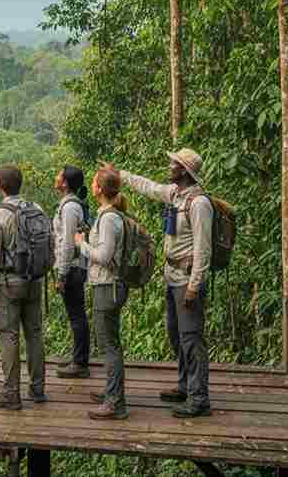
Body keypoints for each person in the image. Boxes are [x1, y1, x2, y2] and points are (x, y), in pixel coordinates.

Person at [118, 148, 213, 418]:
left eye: (174, 164)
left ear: (184, 171)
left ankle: (199, 398)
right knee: (176, 333)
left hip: (187, 279)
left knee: (191, 337)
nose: (169, 166)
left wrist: (194, 286)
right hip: (172, 277)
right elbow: (148, 187)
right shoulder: (175, 195)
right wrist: (121, 175)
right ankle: (185, 385)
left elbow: (203, 249)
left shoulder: (199, 204)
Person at [0, 165, 47, 410]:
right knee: (34, 333)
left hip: (10, 282)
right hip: (35, 279)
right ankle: (38, 389)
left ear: (0, 186)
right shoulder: (36, 208)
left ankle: (11, 393)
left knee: (10, 335)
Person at [75, 166, 129, 419]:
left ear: (99, 189)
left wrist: (82, 245)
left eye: (94, 181)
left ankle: (115, 403)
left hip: (108, 286)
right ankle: (112, 391)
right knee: (110, 342)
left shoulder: (108, 219)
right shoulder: (110, 215)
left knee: (109, 345)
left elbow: (105, 256)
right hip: (109, 286)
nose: (92, 184)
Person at [53, 165, 90, 379]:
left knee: (77, 315)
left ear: (65, 183)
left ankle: (80, 363)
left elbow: (68, 243)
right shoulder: (71, 205)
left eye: (59, 175)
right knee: (76, 314)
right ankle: (78, 358)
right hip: (76, 265)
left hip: (72, 267)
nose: (56, 177)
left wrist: (62, 274)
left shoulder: (69, 208)